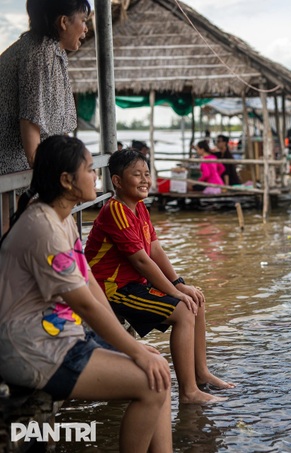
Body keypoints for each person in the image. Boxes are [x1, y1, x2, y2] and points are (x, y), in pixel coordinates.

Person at [0, 136, 172, 452]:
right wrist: (134, 349)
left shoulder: (59, 219)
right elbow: (84, 304)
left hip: (61, 337)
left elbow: (90, 281)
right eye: (90, 169)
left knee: (157, 367)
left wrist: (135, 348)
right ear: (67, 180)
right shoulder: (44, 228)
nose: (96, 176)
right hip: (33, 350)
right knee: (153, 382)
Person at [84, 149, 235, 404]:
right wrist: (175, 293)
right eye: (137, 175)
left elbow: (155, 249)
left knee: (196, 298)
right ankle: (188, 392)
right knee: (184, 310)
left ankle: (202, 374)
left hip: (133, 284)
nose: (145, 180)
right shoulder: (116, 211)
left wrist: (179, 284)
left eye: (147, 174)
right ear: (118, 181)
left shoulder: (139, 208)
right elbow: (141, 260)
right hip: (111, 289)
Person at [0, 0, 90, 232]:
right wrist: (46, 175)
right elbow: (31, 121)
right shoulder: (40, 53)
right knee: (12, 238)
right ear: (63, 22)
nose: (86, 29)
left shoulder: (48, 50)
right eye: (84, 21)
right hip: (10, 174)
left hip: (17, 176)